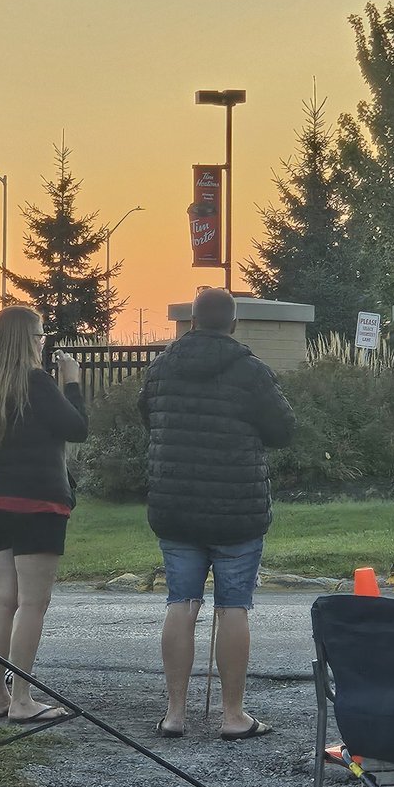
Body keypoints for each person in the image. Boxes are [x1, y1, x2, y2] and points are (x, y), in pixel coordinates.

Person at [139, 287, 295, 740]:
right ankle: (232, 716)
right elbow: (283, 430)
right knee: (233, 607)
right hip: (237, 508)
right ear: (233, 324)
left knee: (181, 602)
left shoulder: (162, 367)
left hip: (175, 506)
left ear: (190, 321)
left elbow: (148, 416)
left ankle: (174, 713)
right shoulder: (250, 370)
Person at [0, 306, 88, 723]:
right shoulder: (36, 381)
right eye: (39, 336)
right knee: (33, 603)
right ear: (27, 340)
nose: (43, 342)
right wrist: (72, 383)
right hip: (38, 503)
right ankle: (22, 699)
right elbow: (77, 428)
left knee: (2, 596)